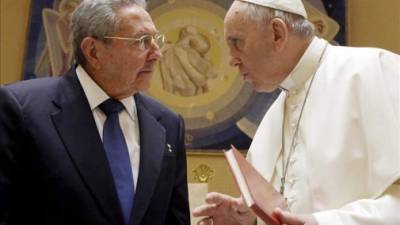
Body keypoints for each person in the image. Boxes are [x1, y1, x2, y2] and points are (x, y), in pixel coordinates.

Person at [193, 0, 400, 225]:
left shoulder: (371, 71)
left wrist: (320, 222)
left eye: (237, 42)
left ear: (277, 33)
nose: (232, 59)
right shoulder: (274, 115)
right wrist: (247, 219)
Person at [0, 0, 190, 225]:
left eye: (155, 40)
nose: (157, 53)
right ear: (93, 51)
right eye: (142, 42)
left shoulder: (168, 123)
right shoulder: (21, 110)